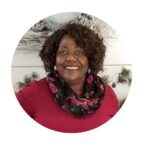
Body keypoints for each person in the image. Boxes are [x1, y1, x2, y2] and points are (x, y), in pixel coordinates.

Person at [16, 23, 119, 133]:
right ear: (53, 57)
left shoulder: (108, 94)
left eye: (79, 52)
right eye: (63, 52)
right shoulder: (32, 93)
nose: (70, 58)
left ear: (91, 59)